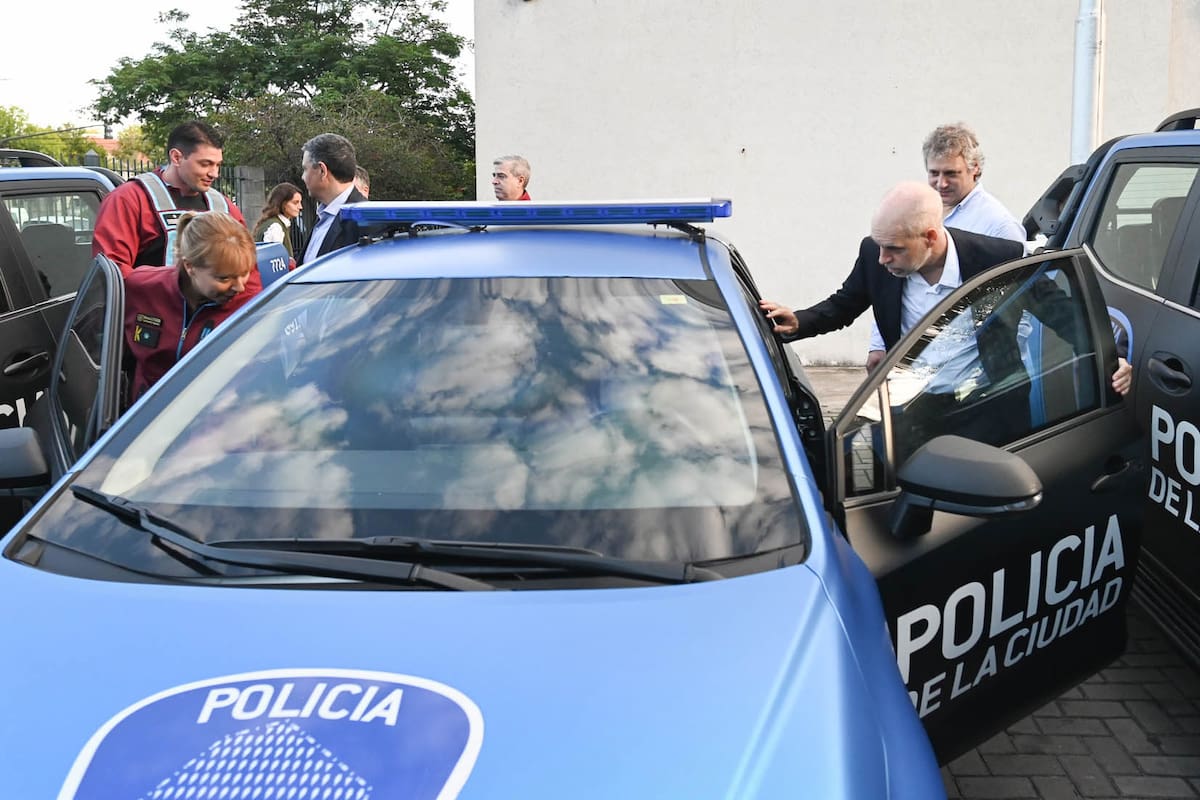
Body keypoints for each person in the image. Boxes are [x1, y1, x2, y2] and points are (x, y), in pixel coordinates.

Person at [759, 182, 1132, 395]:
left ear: (931, 237)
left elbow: (1062, 313)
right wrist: (799, 321)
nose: (882, 259)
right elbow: (844, 304)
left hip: (991, 402)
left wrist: (1113, 359)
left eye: (895, 249)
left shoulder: (999, 259)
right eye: (881, 246)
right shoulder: (875, 250)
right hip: (911, 402)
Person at [123, 211, 259, 402]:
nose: (240, 286)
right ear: (190, 267)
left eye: (244, 273)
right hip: (148, 419)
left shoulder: (253, 303)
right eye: (224, 278)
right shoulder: (142, 287)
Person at [93, 121, 252, 279]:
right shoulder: (129, 199)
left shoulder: (225, 207)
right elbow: (113, 273)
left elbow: (249, 271)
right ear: (176, 157)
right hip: (151, 303)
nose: (214, 174)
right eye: (205, 164)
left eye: (218, 165)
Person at [924, 123, 1025, 243]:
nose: (941, 184)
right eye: (934, 173)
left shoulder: (1000, 227)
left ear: (975, 168)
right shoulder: (920, 212)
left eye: (951, 174)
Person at [299, 133, 364, 266]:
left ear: (322, 171)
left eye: (305, 169)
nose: (302, 177)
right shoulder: (323, 215)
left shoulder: (364, 222)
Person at [253, 182, 303, 260]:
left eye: (300, 202)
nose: (300, 207)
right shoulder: (275, 227)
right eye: (295, 202)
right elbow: (272, 262)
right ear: (283, 203)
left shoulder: (276, 223)